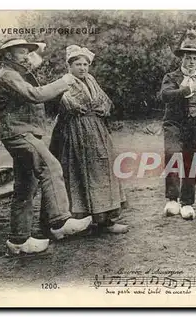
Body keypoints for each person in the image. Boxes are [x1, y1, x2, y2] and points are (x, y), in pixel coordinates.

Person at [0, 38, 93, 255]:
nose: (26, 56)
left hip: (22, 133)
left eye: (27, 52)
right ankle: (61, 221)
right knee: (51, 167)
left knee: (25, 187)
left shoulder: (17, 74)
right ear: (8, 55)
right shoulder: (8, 75)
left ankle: (18, 241)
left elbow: (37, 96)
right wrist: (65, 80)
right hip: (20, 134)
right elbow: (35, 95)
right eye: (21, 52)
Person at [48, 45, 129, 234]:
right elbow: (67, 105)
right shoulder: (65, 82)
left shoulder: (91, 80)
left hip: (98, 131)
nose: (82, 68)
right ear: (70, 65)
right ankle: (80, 220)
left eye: (85, 64)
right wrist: (87, 108)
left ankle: (105, 220)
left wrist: (100, 109)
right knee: (79, 171)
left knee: (103, 170)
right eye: (78, 64)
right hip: (75, 131)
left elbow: (104, 101)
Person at [159, 42, 196, 220]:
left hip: (195, 126)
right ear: (181, 59)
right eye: (187, 58)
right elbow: (165, 95)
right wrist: (188, 89)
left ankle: (187, 202)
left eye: (194, 58)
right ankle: (172, 199)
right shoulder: (171, 77)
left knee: (192, 163)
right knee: (172, 155)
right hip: (174, 124)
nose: (191, 62)